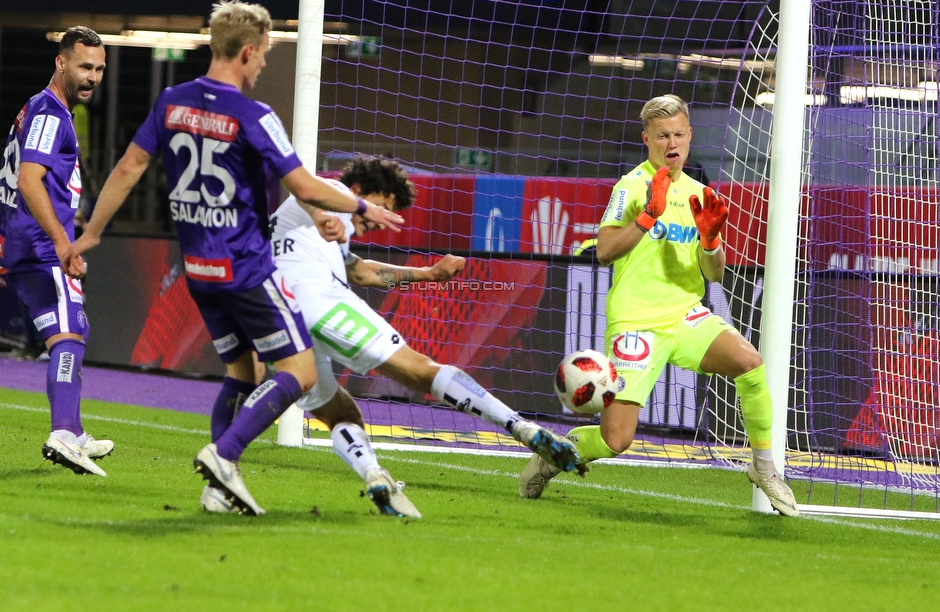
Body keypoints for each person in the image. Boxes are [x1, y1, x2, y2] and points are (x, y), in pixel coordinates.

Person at [62, 0, 403, 516]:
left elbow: (131, 167)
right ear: (246, 51)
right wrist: (358, 207)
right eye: (263, 54)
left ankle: (218, 488)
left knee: (241, 372)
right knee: (302, 371)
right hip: (245, 266)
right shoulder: (253, 115)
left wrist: (93, 233)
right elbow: (304, 184)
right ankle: (225, 454)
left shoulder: (172, 101)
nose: (263, 64)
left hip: (198, 269)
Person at [519, 94, 799, 517]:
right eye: (663, 135)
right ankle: (552, 453)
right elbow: (605, 251)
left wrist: (710, 241)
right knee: (616, 441)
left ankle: (763, 466)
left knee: (749, 361)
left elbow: (715, 273)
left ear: (689, 137)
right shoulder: (631, 187)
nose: (672, 143)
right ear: (646, 138)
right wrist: (647, 215)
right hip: (637, 323)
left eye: (680, 134)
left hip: (686, 314)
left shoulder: (700, 193)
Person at [252, 155, 579, 517]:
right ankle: (522, 428)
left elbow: (361, 273)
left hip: (272, 312)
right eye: (381, 208)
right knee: (420, 369)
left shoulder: (321, 230)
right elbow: (309, 193)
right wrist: (334, 213)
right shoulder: (335, 193)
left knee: (337, 411)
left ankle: (374, 474)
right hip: (314, 297)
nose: (377, 222)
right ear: (360, 190)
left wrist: (428, 274)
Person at [0, 27, 114, 476]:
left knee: (71, 325)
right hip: (40, 246)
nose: (94, 77)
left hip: (19, 243)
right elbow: (28, 179)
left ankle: (75, 429)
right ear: (61, 63)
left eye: (100, 69)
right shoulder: (50, 114)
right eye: (85, 66)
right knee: (69, 334)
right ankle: (63, 432)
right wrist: (64, 244)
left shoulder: (42, 107)